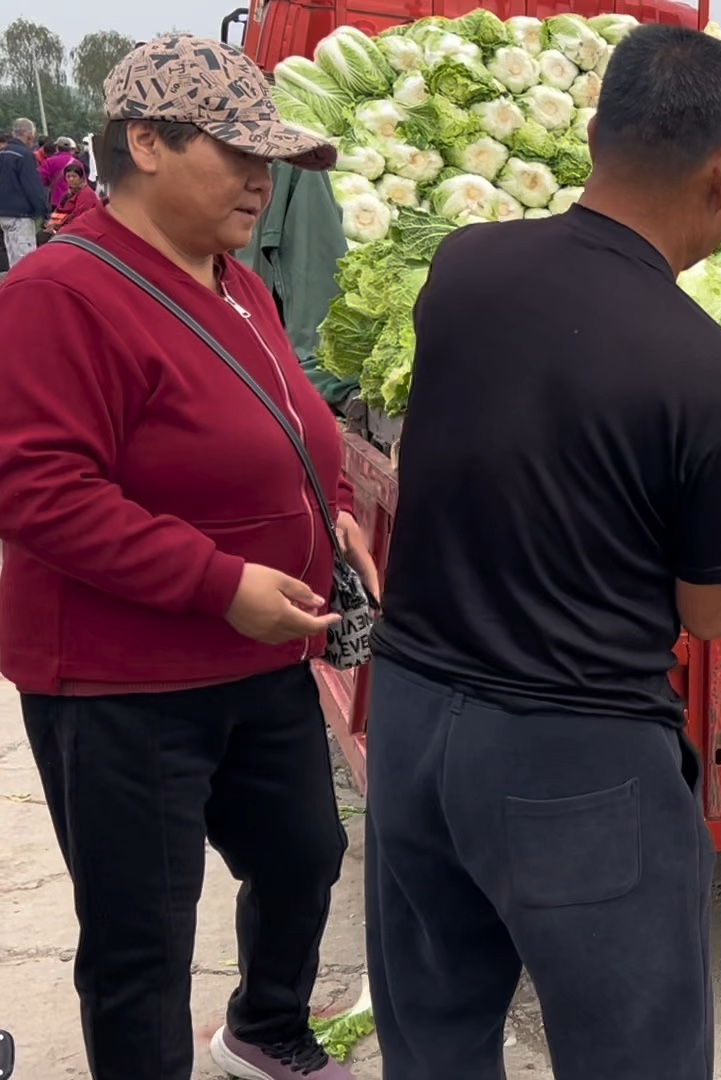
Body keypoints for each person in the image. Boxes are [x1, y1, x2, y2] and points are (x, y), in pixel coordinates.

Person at [365, 23, 721, 1080]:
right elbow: (714, 606)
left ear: (593, 130)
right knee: (633, 1053)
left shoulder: (462, 269)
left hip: (413, 722)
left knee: (435, 1035)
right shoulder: (713, 377)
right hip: (575, 759)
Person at [0, 36, 378, 1080]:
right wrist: (218, 584)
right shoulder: (59, 293)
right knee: (141, 938)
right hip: (124, 684)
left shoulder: (237, 282)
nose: (263, 179)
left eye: (273, 157)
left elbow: (297, 425)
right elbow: (37, 493)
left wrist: (336, 510)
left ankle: (263, 1027)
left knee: (305, 856)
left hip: (259, 660)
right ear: (147, 143)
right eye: (237, 151)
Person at [0, 118, 47, 280]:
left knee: (13, 260)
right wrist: (44, 213)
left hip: (4, 214)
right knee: (26, 263)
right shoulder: (24, 155)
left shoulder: (3, 153)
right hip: (21, 215)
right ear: (28, 137)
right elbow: (32, 187)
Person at [48, 162, 101, 232]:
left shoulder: (86, 193)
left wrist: (60, 226)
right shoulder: (68, 194)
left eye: (74, 176)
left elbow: (79, 215)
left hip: (79, 230)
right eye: (68, 176)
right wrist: (53, 223)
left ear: (81, 178)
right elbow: (58, 210)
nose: (71, 179)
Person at [41, 135, 78, 203]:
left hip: (55, 200)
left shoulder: (49, 161)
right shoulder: (77, 163)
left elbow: (42, 179)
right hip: (73, 200)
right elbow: (82, 182)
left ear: (57, 148)